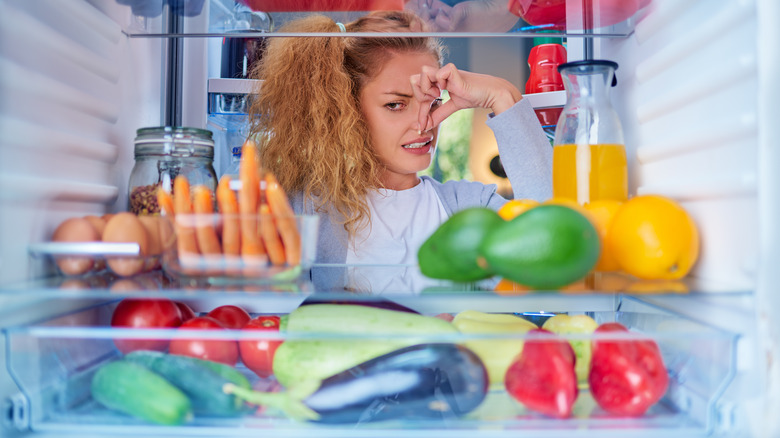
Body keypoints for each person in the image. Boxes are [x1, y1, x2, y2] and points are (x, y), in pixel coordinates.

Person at [246, 10, 551, 288]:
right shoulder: (305, 207)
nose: (423, 124)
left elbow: (557, 239)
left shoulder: (469, 206)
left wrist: (500, 96)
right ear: (346, 110)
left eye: (432, 103)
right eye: (395, 104)